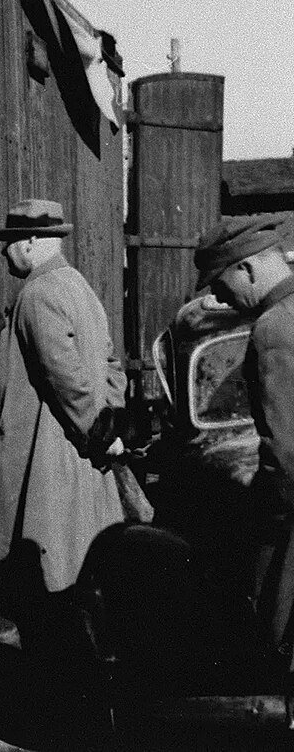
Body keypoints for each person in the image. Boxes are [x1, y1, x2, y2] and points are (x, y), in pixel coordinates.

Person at [0, 199, 127, 735]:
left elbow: (64, 377)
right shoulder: (80, 289)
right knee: (73, 579)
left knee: (47, 587)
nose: (5, 254)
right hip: (82, 457)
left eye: (9, 244)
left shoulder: (39, 294)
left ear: (28, 244)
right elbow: (110, 365)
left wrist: (96, 428)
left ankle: (60, 714)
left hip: (49, 462)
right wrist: (108, 429)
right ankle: (79, 704)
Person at [194, 214, 294, 729]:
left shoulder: (275, 329)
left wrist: (270, 529)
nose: (220, 296)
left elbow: (286, 453)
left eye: (222, 281)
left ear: (250, 270)